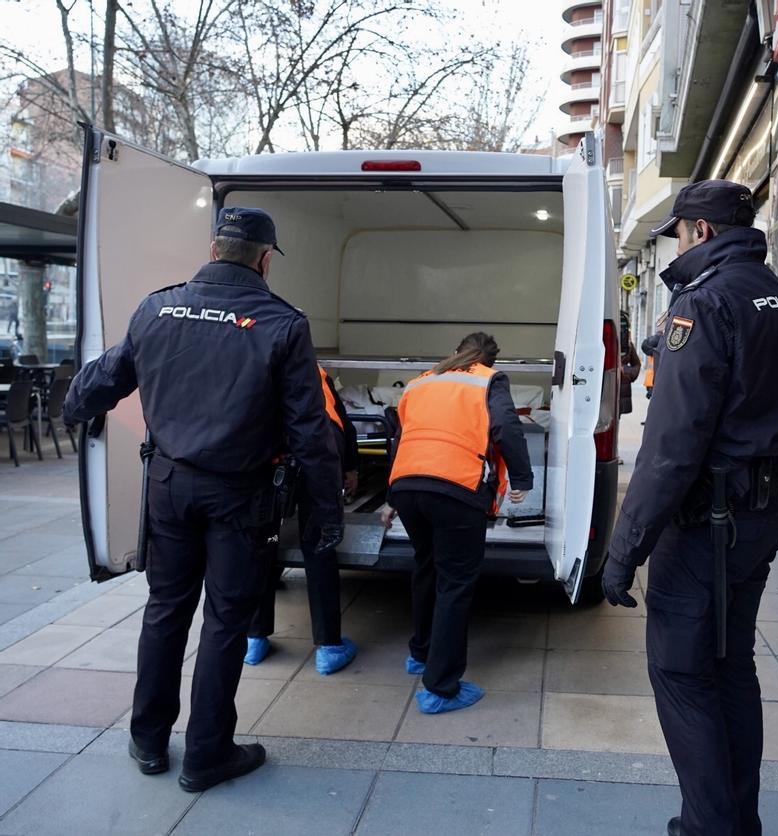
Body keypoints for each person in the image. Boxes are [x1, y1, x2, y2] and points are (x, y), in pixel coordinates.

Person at [64, 208, 343, 792]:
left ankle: (147, 739)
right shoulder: (282, 323)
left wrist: (74, 411)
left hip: (167, 487)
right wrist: (325, 513)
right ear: (265, 260)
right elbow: (309, 432)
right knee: (224, 621)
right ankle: (207, 754)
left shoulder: (156, 307)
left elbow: (103, 379)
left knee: (166, 609)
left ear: (214, 250)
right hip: (239, 497)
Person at [601, 180, 778, 836]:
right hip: (759, 514)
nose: (676, 241)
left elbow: (670, 449)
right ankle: (734, 821)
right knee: (730, 669)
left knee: (680, 670)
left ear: (700, 231)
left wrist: (623, 551)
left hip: (710, 523)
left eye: (678, 232)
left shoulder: (705, 305)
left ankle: (708, 829)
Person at [379, 332, 533, 714]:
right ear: (490, 361)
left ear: (455, 353)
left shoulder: (422, 381)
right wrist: (523, 478)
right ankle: (440, 687)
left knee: (426, 565)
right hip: (456, 489)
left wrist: (390, 494)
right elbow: (507, 428)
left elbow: (400, 438)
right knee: (455, 582)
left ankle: (420, 653)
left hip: (407, 486)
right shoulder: (489, 380)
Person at [245, 363, 359, 674]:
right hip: (319, 450)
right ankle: (328, 647)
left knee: (265, 542)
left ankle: (254, 638)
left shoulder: (251, 362)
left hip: (269, 452)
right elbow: (344, 422)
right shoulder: (315, 369)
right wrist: (350, 467)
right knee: (318, 544)